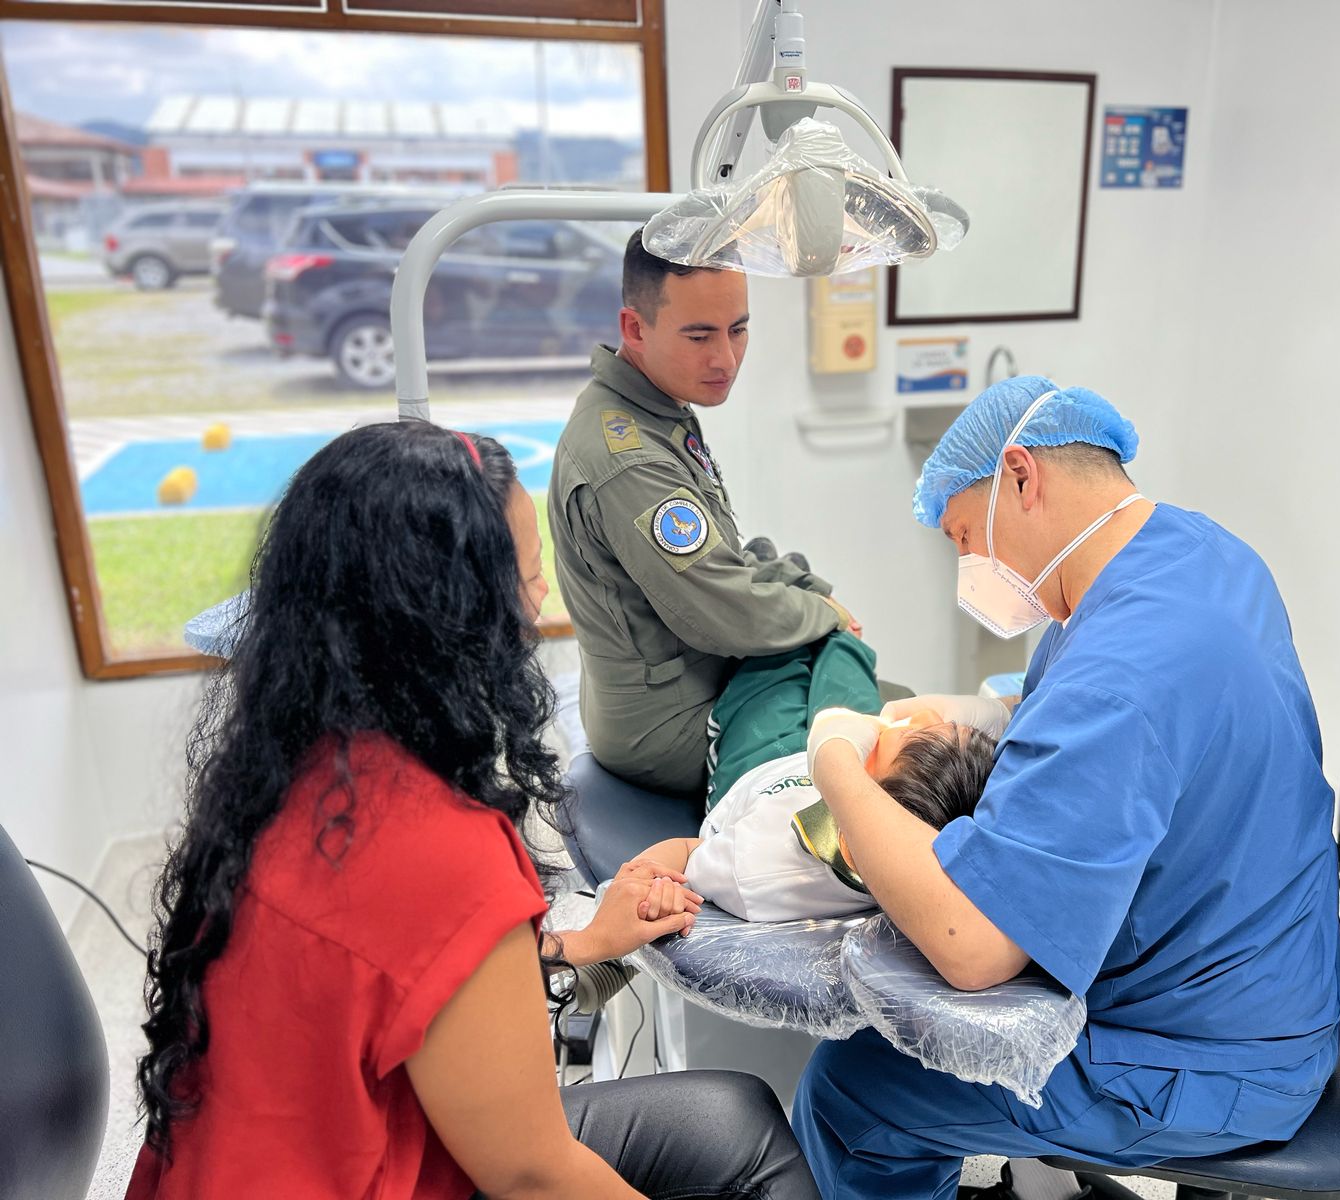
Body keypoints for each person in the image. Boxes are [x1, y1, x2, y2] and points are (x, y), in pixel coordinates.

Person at [126, 422, 821, 1200]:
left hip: (274, 1160)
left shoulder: (294, 771)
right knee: (749, 1152)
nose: (540, 599)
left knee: (735, 1115)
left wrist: (585, 942)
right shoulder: (441, 848)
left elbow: (400, 981)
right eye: (528, 576)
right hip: (377, 1177)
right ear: (451, 615)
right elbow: (531, 1176)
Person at [791, 377, 1340, 1199]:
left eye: (963, 538)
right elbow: (1112, 721)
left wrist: (835, 762)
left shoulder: (1118, 676)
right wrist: (985, 713)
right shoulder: (1199, 553)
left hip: (1211, 1059)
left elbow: (972, 947)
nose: (970, 568)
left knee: (856, 1087)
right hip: (1277, 985)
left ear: (1021, 476)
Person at [547, 230, 861, 799]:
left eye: (738, 330)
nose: (725, 359)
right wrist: (822, 612)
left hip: (692, 680)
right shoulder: (628, 458)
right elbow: (725, 613)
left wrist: (806, 590)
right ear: (634, 328)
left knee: (859, 689)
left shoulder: (654, 407)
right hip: (668, 725)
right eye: (699, 336)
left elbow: (722, 554)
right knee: (875, 745)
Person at [635, 627, 996, 922]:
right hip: (840, 745)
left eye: (902, 733)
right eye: (946, 725)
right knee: (845, 646)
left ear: (872, 795)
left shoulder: (753, 869)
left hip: (760, 764)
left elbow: (684, 853)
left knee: (774, 659)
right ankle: (823, 615)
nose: (924, 717)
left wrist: (647, 886)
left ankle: (794, 605)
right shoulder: (905, 790)